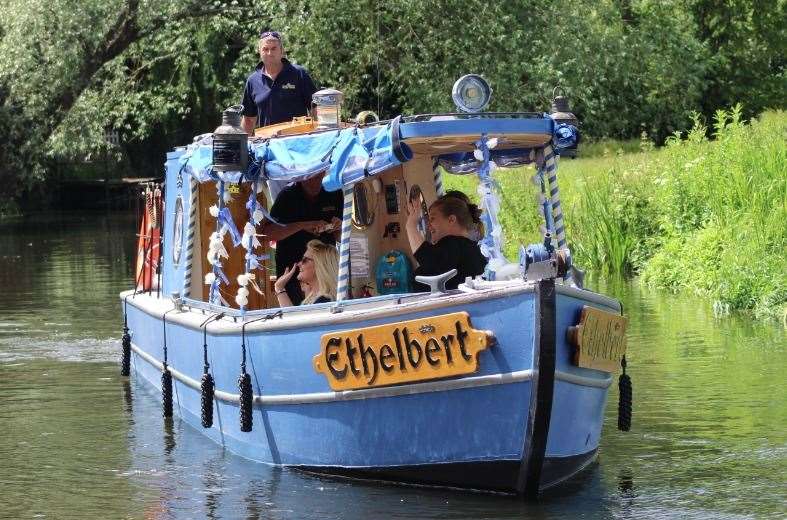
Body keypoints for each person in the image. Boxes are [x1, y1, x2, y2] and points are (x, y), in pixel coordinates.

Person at [264, 173, 343, 305]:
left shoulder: (333, 192)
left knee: (325, 305)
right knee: (294, 311)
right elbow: (268, 233)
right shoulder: (287, 195)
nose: (314, 182)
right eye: (309, 178)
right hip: (292, 270)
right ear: (300, 178)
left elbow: (341, 236)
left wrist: (338, 226)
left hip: (324, 271)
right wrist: (302, 225)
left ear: (323, 173)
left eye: (318, 177)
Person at [241, 30, 317, 135]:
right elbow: (248, 120)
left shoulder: (298, 73)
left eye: (274, 49)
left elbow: (315, 109)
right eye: (265, 49)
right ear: (260, 52)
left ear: (281, 51)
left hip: (298, 143)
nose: (269, 53)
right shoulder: (252, 81)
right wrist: (241, 147)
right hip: (267, 145)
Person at [405, 193, 487, 291]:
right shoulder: (470, 247)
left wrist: (411, 226)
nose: (428, 225)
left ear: (451, 220)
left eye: (432, 219)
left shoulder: (454, 244)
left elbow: (428, 258)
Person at [274, 240, 338, 306]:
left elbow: (293, 316)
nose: (299, 264)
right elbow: (293, 316)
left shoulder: (324, 302)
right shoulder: (316, 298)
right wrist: (279, 288)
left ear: (320, 265)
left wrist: (280, 289)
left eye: (304, 260)